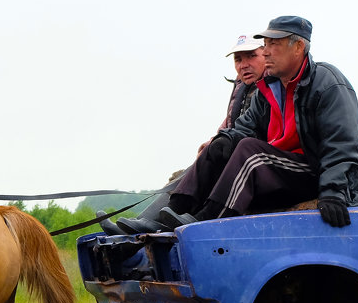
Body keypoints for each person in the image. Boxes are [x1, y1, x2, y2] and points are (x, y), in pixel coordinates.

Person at [134, 15, 358, 232]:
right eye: (264, 44)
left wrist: (331, 192)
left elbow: (340, 147)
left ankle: (207, 221)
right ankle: (168, 213)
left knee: (251, 152)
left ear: (298, 47)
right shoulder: (270, 86)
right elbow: (245, 128)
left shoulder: (328, 84)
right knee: (220, 144)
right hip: (282, 169)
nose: (265, 51)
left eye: (273, 45)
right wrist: (224, 141)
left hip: (316, 171)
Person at [105, 33, 267, 235]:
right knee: (187, 173)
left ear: (266, 55)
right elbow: (231, 122)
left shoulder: (272, 86)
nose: (243, 65)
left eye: (251, 56)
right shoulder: (242, 87)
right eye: (238, 59)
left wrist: (220, 144)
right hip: (233, 150)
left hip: (251, 159)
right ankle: (140, 224)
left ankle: (152, 223)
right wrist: (214, 140)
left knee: (192, 174)